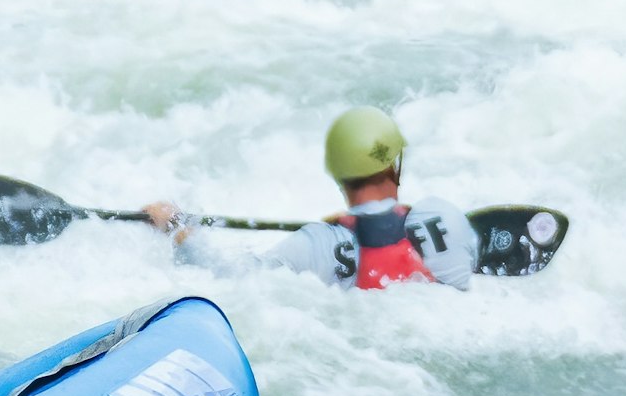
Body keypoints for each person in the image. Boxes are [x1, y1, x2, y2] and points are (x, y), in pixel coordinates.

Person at [144, 108, 474, 291]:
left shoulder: (315, 244)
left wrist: (176, 227)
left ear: (336, 173)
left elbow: (232, 278)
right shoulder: (445, 218)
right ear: (395, 164)